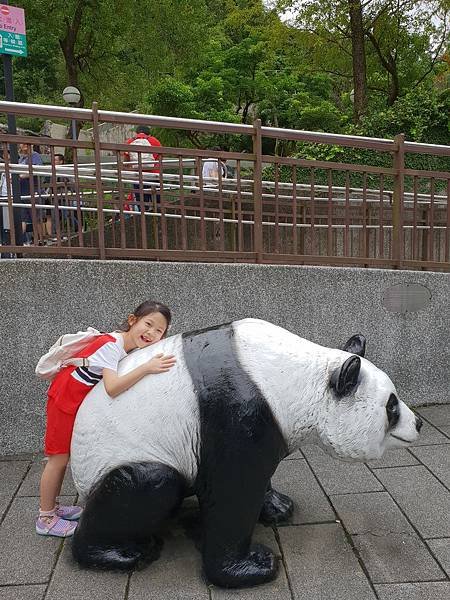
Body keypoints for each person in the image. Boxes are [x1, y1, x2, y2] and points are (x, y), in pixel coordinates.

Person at [36, 300, 176, 538]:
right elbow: (112, 387)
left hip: (71, 399)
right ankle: (46, 517)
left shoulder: (121, 345)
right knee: (57, 460)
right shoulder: (112, 346)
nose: (151, 333)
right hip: (64, 401)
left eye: (158, 330)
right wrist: (147, 368)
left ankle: (55, 507)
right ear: (133, 320)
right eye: (148, 324)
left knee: (63, 458)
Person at [124, 125, 162, 208]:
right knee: (157, 200)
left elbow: (126, 160)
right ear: (149, 133)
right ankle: (158, 216)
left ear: (136, 133)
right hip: (153, 176)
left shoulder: (130, 142)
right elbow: (160, 158)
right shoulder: (155, 141)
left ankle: (144, 218)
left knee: (142, 202)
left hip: (138, 176)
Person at [18, 143, 43, 244]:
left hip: (33, 190)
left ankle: (40, 240)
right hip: (21, 191)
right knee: (22, 217)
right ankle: (20, 241)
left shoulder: (35, 155)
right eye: (21, 144)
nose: (23, 145)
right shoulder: (21, 158)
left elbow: (38, 169)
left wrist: (21, 176)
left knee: (35, 217)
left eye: (25, 143)